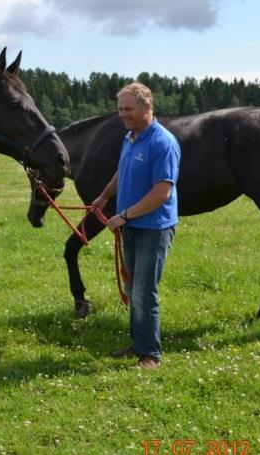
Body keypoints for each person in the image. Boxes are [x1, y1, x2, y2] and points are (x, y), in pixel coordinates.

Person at [91, 82, 181, 369]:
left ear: (147, 107)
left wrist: (125, 215)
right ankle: (138, 345)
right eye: (120, 109)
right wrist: (104, 197)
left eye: (129, 109)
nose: (123, 114)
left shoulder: (162, 142)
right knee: (133, 290)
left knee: (144, 291)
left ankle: (150, 356)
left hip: (153, 229)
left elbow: (161, 192)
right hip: (130, 226)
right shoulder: (130, 138)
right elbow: (123, 170)